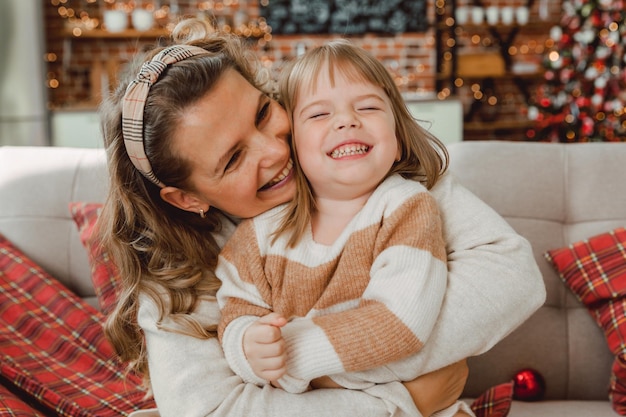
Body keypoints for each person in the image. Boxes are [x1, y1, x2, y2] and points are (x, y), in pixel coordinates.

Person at [97, 17, 545, 417]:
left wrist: (324, 370)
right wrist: (401, 401)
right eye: (233, 158)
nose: (276, 150)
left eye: (263, 112)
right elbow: (211, 410)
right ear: (185, 198)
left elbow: (512, 278)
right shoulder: (179, 282)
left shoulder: (375, 176)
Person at [215, 39, 472, 417]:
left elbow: (401, 324)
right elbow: (236, 311)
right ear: (294, 149)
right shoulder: (259, 235)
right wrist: (246, 346)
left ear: (398, 140)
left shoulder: (407, 208)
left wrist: (293, 363)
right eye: (318, 115)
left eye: (368, 107)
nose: (347, 120)